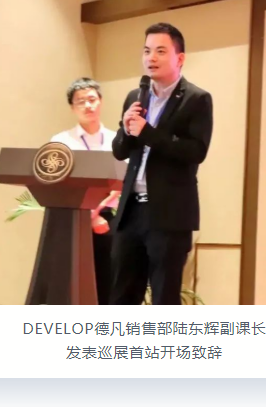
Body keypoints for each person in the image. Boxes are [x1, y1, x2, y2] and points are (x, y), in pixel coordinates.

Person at [109, 23, 214, 305]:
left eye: (160, 51)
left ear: (180, 58)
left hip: (169, 215)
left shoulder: (197, 99)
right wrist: (126, 130)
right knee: (121, 298)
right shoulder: (135, 96)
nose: (151, 58)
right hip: (131, 211)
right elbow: (119, 151)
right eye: (146, 51)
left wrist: (148, 133)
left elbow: (196, 151)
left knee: (164, 299)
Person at [50, 77, 119, 305]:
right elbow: (56, 184)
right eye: (81, 101)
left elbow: (123, 182)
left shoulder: (117, 140)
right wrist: (88, 215)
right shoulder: (61, 141)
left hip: (108, 218)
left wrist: (97, 212)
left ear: (101, 102)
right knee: (71, 284)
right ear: (72, 107)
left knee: (107, 281)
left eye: (92, 99)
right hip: (71, 218)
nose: (88, 105)